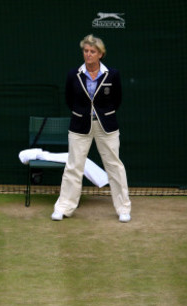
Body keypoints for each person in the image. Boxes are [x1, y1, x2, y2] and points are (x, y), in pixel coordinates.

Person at [52, 34, 131, 223]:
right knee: (73, 167)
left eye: (92, 51)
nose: (88, 55)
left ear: (101, 54)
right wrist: (84, 114)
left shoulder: (112, 74)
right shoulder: (74, 74)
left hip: (107, 126)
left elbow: (116, 100)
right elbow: (69, 100)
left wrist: (102, 114)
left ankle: (123, 209)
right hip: (80, 125)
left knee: (115, 167)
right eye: (86, 51)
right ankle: (64, 208)